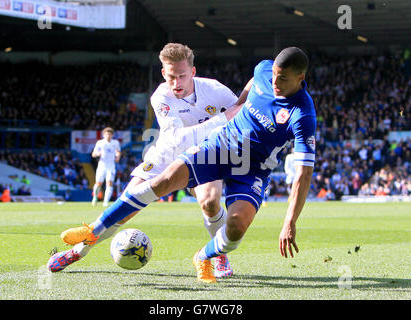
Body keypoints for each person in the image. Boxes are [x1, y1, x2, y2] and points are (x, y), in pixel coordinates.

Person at [57, 47, 316, 284]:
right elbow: (181, 137)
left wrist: (290, 222)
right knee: (153, 186)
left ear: (300, 78)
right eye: (273, 76)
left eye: (282, 79)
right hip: (186, 149)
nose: (274, 83)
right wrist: (236, 108)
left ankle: (208, 255)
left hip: (252, 167)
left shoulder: (302, 115)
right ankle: (89, 235)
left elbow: (304, 174)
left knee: (231, 223)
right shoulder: (163, 96)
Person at [48, 43, 251, 278]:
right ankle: (78, 251)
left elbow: (240, 116)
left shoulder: (214, 90)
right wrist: (223, 118)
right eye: (171, 76)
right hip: (167, 154)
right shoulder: (161, 96)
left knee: (210, 201)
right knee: (127, 207)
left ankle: (217, 255)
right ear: (164, 73)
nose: (176, 83)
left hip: (204, 154)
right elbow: (177, 139)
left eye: (182, 76)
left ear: (193, 73)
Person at [91, 127, 121, 207]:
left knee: (109, 183)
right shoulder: (100, 143)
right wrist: (97, 154)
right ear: (103, 135)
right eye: (106, 134)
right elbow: (93, 154)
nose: (108, 136)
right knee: (98, 183)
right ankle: (95, 197)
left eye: (110, 134)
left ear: (112, 135)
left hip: (111, 166)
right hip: (102, 165)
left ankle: (106, 201)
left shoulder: (115, 142)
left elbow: (118, 152)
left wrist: (118, 156)